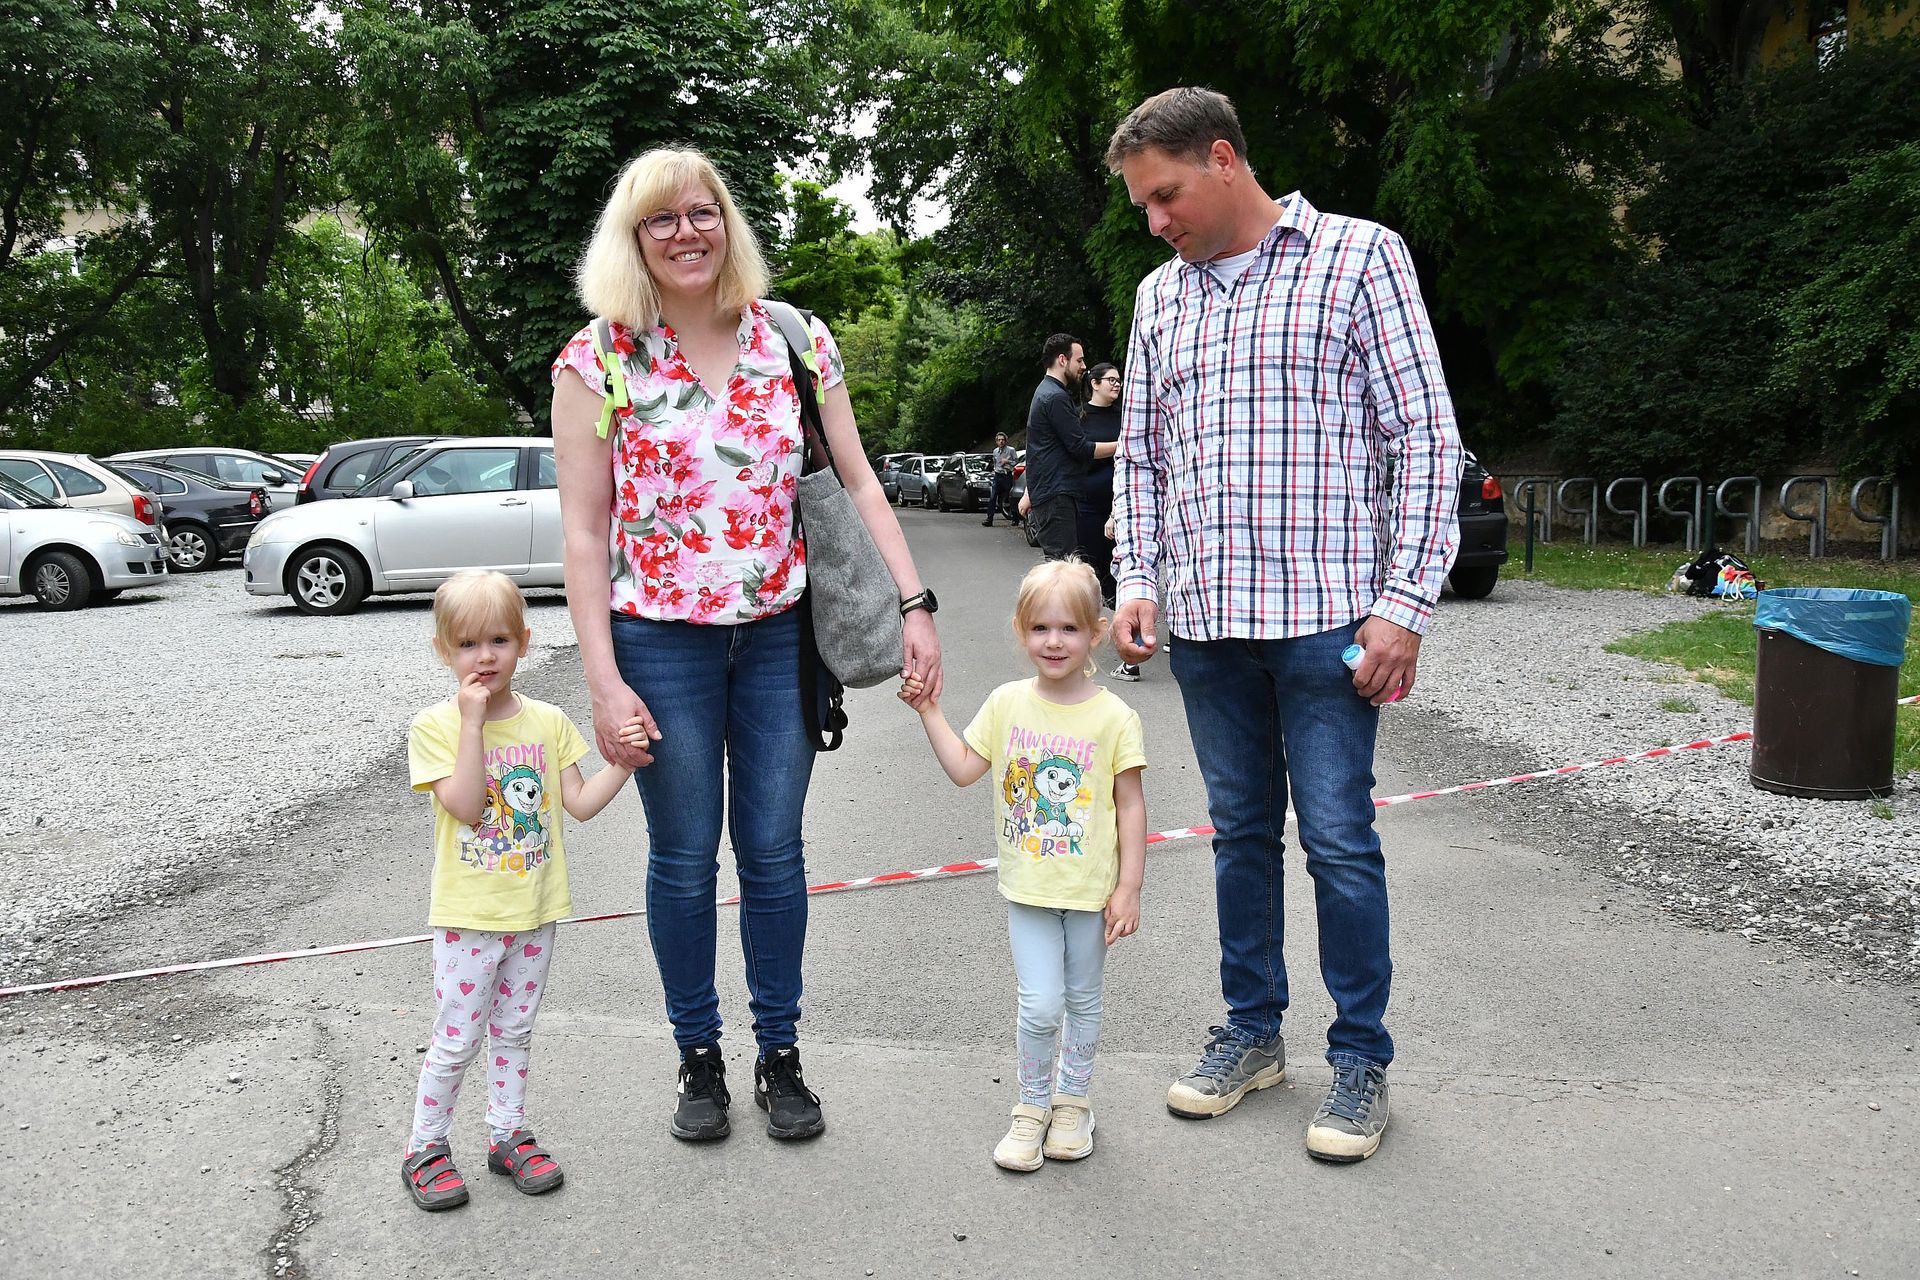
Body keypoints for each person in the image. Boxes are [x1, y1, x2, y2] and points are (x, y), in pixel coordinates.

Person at [550, 147, 944, 1144]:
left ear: (726, 223)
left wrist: (914, 603)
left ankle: (780, 1053)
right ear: (633, 239)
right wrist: (602, 679)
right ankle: (698, 1055)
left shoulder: (795, 340)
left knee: (772, 852)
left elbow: (858, 481)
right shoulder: (597, 359)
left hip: (778, 641)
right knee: (684, 858)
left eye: (702, 212)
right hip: (658, 644)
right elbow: (585, 533)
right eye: (661, 219)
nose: (686, 232)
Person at [1106, 87, 1462, 1163]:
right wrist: (1138, 577)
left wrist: (1403, 606)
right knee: (1239, 837)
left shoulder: (1359, 257)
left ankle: (1360, 1060)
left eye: (1166, 194)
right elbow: (1144, 457)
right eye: (1142, 205)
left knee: (1340, 839)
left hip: (1327, 619)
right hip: (1211, 625)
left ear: (1224, 159)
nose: (1155, 220)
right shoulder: (1159, 298)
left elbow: (1425, 438)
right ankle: (1252, 1031)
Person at [402, 570, 646, 1211]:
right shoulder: (435, 726)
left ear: (524, 643)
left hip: (535, 913)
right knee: (458, 1038)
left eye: (499, 641)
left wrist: (623, 763)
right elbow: (466, 807)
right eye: (467, 645)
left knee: (513, 1031)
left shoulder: (548, 722)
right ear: (443, 651)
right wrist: (472, 724)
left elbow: (580, 803)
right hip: (469, 917)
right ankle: (425, 1147)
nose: (484, 657)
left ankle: (506, 1133)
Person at [900, 560, 1147, 1172]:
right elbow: (964, 768)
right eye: (1040, 628)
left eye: (1069, 628)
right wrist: (929, 710)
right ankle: (1032, 1106)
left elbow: (1130, 805)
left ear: (1096, 633)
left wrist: (1129, 887)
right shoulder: (1006, 704)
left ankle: (1073, 1104)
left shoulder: (1115, 717)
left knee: (1083, 1000)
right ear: (1021, 630)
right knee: (1039, 1005)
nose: (1054, 641)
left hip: (1090, 893)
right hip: (1028, 890)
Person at [1023, 334, 1116, 561]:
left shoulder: (1047, 392)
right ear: (1062, 359)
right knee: (1063, 566)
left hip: (1053, 493)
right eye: (1079, 360)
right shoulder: (1055, 397)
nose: (1084, 366)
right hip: (1057, 495)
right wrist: (1124, 445)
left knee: (1062, 564)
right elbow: (1081, 448)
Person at [1077, 363, 1123, 607]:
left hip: (1119, 503)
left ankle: (1118, 617)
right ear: (1094, 383)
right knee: (1089, 566)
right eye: (1111, 380)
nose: (1117, 384)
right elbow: (1078, 452)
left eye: (1119, 380)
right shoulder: (1079, 416)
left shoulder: (1124, 416)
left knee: (1118, 566)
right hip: (1087, 504)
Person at [983, 432, 1017, 527]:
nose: (1001, 441)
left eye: (1002, 440)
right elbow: (995, 462)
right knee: (993, 497)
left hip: (1007, 475)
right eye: (999, 440)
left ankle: (1015, 518)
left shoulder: (1011, 450)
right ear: (996, 441)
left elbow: (1016, 461)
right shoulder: (995, 451)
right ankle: (989, 519)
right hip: (998, 476)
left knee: (1009, 497)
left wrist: (1008, 461)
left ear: (1005, 441)